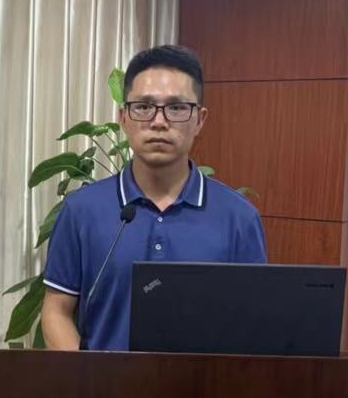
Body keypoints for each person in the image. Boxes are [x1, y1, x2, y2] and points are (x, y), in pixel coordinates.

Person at [40, 44, 267, 351]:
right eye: (144, 107)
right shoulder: (82, 211)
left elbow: (252, 323)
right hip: (104, 383)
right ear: (124, 117)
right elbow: (57, 311)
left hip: (203, 383)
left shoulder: (239, 218)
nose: (159, 121)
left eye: (177, 108)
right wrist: (86, 378)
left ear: (200, 119)